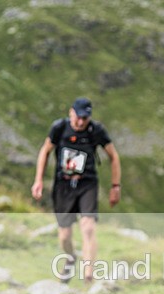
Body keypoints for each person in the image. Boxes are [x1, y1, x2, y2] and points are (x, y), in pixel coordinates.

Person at [31, 97, 121, 283]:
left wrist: (115, 186)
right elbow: (45, 151)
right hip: (63, 185)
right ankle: (71, 256)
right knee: (65, 235)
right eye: (78, 117)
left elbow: (114, 156)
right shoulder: (59, 128)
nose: (80, 122)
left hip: (87, 183)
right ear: (71, 112)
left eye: (85, 119)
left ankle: (89, 276)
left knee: (88, 227)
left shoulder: (96, 130)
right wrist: (38, 180)